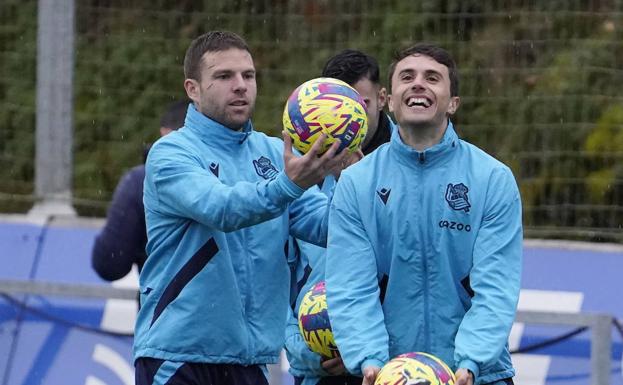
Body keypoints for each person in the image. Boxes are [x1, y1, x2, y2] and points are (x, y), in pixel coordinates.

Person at [133, 31, 349, 385]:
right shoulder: (171, 152)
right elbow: (221, 208)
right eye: (224, 76)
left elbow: (326, 226)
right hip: (178, 357)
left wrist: (355, 184)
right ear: (193, 89)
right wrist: (290, 184)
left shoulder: (270, 151)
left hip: (250, 361)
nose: (240, 86)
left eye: (248, 76)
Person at [325, 43, 523, 385]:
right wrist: (369, 359)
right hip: (390, 374)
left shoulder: (492, 179)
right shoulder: (357, 183)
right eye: (407, 77)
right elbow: (351, 285)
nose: (418, 84)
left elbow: (496, 286)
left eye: (433, 78)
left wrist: (470, 361)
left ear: (452, 103)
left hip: (477, 376)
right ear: (388, 99)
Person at [285, 49, 393, 385]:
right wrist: (309, 353)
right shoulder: (291, 176)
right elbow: (275, 283)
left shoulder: (415, 164)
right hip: (320, 368)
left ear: (383, 98)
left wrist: (370, 349)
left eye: (358, 106)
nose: (343, 122)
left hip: (394, 365)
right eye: (332, 111)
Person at [91, 99, 188, 281]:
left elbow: (109, 264)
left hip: (164, 304)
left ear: (164, 133)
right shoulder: (246, 176)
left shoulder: (141, 181)